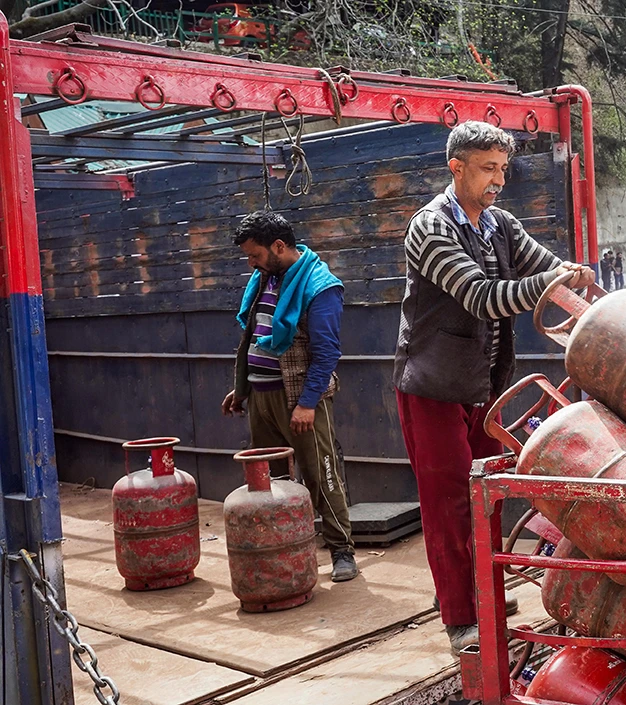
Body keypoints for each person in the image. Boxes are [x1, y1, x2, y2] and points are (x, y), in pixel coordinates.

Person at [391, 121, 594, 654]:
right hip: (432, 387)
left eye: (502, 169)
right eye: (487, 169)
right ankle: (461, 617)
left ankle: (480, 590)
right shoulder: (429, 227)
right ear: (455, 167)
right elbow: (480, 296)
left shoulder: (498, 224)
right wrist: (550, 283)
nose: (498, 180)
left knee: (487, 496)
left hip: (483, 387)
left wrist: (577, 279)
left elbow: (546, 268)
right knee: (450, 504)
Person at [222, 210, 359, 584]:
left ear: (279, 246)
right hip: (261, 397)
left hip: (299, 400)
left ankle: (342, 551)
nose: (251, 263)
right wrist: (243, 386)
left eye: (255, 255)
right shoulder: (265, 277)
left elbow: (327, 352)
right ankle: (289, 548)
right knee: (273, 483)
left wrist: (308, 403)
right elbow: (254, 336)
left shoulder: (320, 286)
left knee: (321, 475)